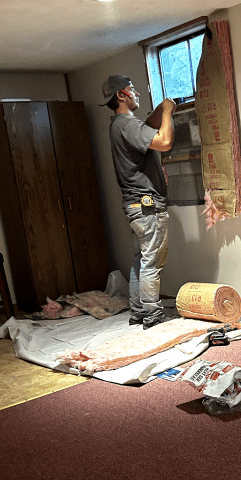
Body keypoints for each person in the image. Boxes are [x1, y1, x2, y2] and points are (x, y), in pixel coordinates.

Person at [100, 74, 176, 327]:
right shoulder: (128, 125)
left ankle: (139, 311)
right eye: (132, 89)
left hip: (135, 205)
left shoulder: (119, 125)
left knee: (141, 258)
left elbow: (147, 125)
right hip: (147, 205)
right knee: (152, 260)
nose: (137, 93)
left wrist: (160, 109)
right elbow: (164, 142)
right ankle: (153, 314)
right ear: (121, 95)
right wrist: (168, 111)